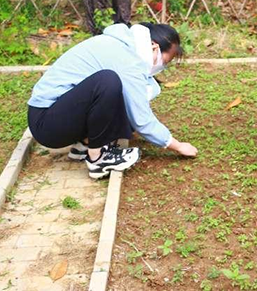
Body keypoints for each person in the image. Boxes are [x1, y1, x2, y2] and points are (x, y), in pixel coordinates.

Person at [27, 22, 198, 179]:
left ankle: (85, 145)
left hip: (56, 117)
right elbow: (141, 119)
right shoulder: (128, 60)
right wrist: (177, 145)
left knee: (119, 90)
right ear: (154, 46)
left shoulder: (124, 47)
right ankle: (98, 159)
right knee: (107, 81)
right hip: (47, 123)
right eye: (165, 61)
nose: (162, 66)